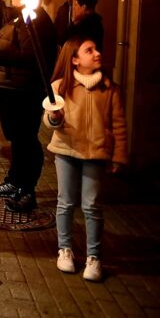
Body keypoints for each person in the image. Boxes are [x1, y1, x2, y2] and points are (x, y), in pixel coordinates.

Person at [45, 36, 127, 282]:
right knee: (66, 202)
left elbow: (119, 124)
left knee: (91, 205)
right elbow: (49, 121)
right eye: (89, 50)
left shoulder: (108, 88)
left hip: (96, 153)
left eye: (96, 49)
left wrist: (120, 155)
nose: (96, 53)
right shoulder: (60, 86)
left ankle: (94, 256)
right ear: (75, 59)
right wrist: (55, 118)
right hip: (67, 150)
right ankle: (65, 249)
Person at [0, 0, 57, 212]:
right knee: (17, 140)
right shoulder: (22, 17)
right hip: (11, 89)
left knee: (26, 141)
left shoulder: (38, 19)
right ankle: (15, 181)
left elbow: (34, 55)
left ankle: (27, 190)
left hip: (26, 91)